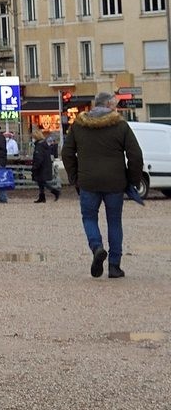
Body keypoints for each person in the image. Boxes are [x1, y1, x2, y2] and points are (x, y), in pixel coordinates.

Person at [61, 91, 144, 279]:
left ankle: (97, 247)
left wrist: (75, 177)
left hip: (88, 181)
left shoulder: (79, 126)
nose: (115, 108)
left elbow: (66, 153)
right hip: (115, 182)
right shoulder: (120, 125)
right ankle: (114, 266)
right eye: (113, 105)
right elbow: (135, 155)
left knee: (89, 218)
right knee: (114, 221)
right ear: (108, 105)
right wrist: (132, 180)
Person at [32, 129, 60, 204]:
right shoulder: (44, 144)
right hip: (45, 166)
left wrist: (35, 166)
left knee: (42, 182)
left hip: (41, 167)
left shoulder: (39, 146)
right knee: (41, 182)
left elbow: (39, 157)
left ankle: (55, 191)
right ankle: (42, 196)